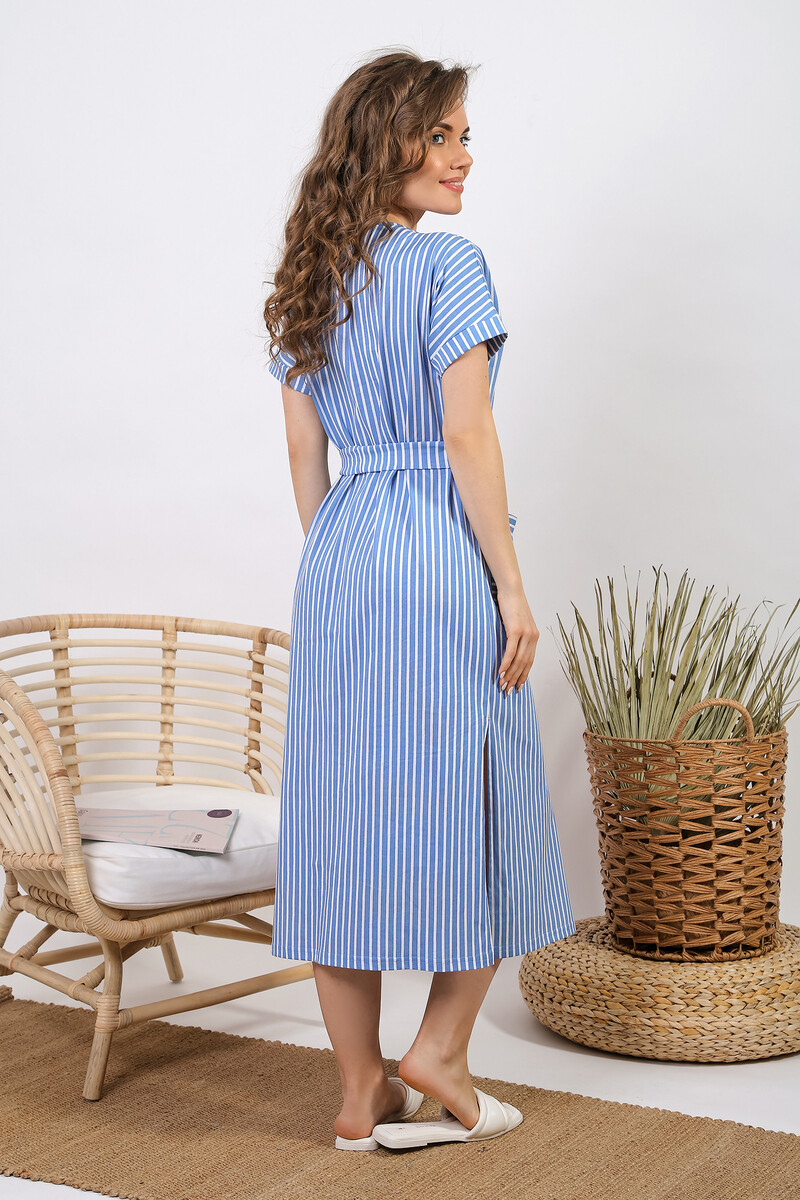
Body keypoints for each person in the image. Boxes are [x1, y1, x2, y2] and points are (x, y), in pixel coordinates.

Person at [263, 49, 576, 1152]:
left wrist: (343, 557)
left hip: (341, 552)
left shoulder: (310, 279)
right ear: (382, 142)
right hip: (438, 547)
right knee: (480, 795)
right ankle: (437, 1050)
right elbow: (465, 433)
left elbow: (304, 455)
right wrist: (509, 586)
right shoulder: (447, 264)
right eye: (439, 135)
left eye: (463, 136)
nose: (461, 156)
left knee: (340, 813)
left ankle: (360, 1095)